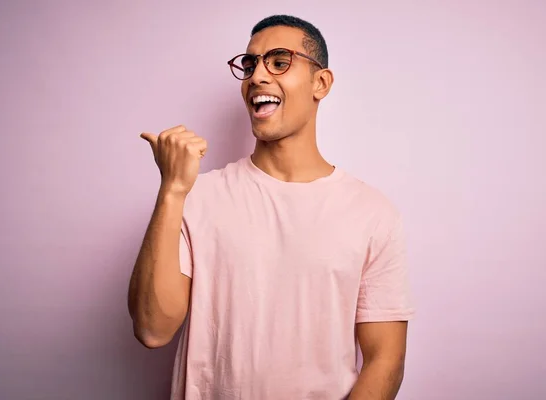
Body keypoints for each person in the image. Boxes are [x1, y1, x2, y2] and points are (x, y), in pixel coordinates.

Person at [128, 14, 415, 400]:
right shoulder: (198, 196)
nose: (257, 76)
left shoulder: (372, 213)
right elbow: (152, 329)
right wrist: (172, 188)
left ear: (321, 83)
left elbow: (386, 359)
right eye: (250, 64)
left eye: (279, 62)